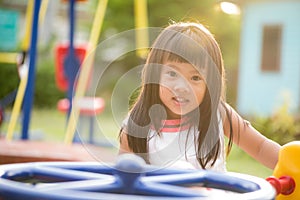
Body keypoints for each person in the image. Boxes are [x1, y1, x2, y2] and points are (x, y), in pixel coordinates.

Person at [118, 21, 281, 172]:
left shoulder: (218, 114)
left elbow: (260, 147)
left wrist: (291, 161)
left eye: (195, 78)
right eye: (172, 73)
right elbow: (124, 176)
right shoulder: (137, 125)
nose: (182, 87)